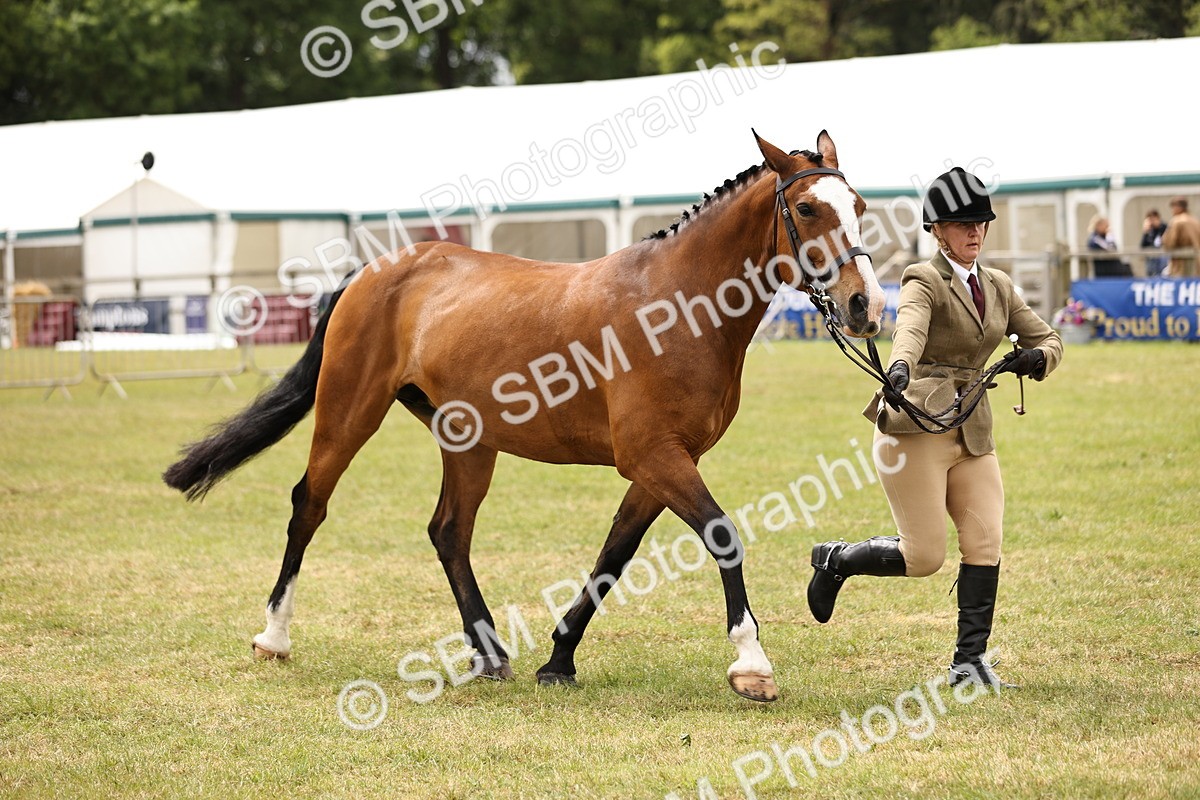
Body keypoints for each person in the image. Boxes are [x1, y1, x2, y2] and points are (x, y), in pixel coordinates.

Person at [806, 167, 1063, 690]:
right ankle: (837, 559)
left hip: (972, 431)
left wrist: (1036, 359)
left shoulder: (999, 286)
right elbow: (911, 330)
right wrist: (899, 368)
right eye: (962, 224)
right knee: (925, 556)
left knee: (985, 541)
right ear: (937, 230)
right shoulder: (924, 278)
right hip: (916, 427)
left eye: (981, 223)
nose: (975, 233)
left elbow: (1051, 337)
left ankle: (968, 665)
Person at [1163, 197, 1200, 278]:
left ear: (1178, 207)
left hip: (1181, 264)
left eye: (1173, 207)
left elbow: (1169, 243)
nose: (1172, 210)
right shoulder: (1195, 221)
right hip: (1196, 261)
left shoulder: (1176, 221)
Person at [1141, 210, 1168, 277]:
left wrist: (1158, 226)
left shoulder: (1164, 227)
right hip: (1152, 257)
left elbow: (1165, 240)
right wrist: (1146, 233)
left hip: (1163, 256)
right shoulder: (1150, 230)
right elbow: (1143, 245)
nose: (1152, 222)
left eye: (1153, 219)